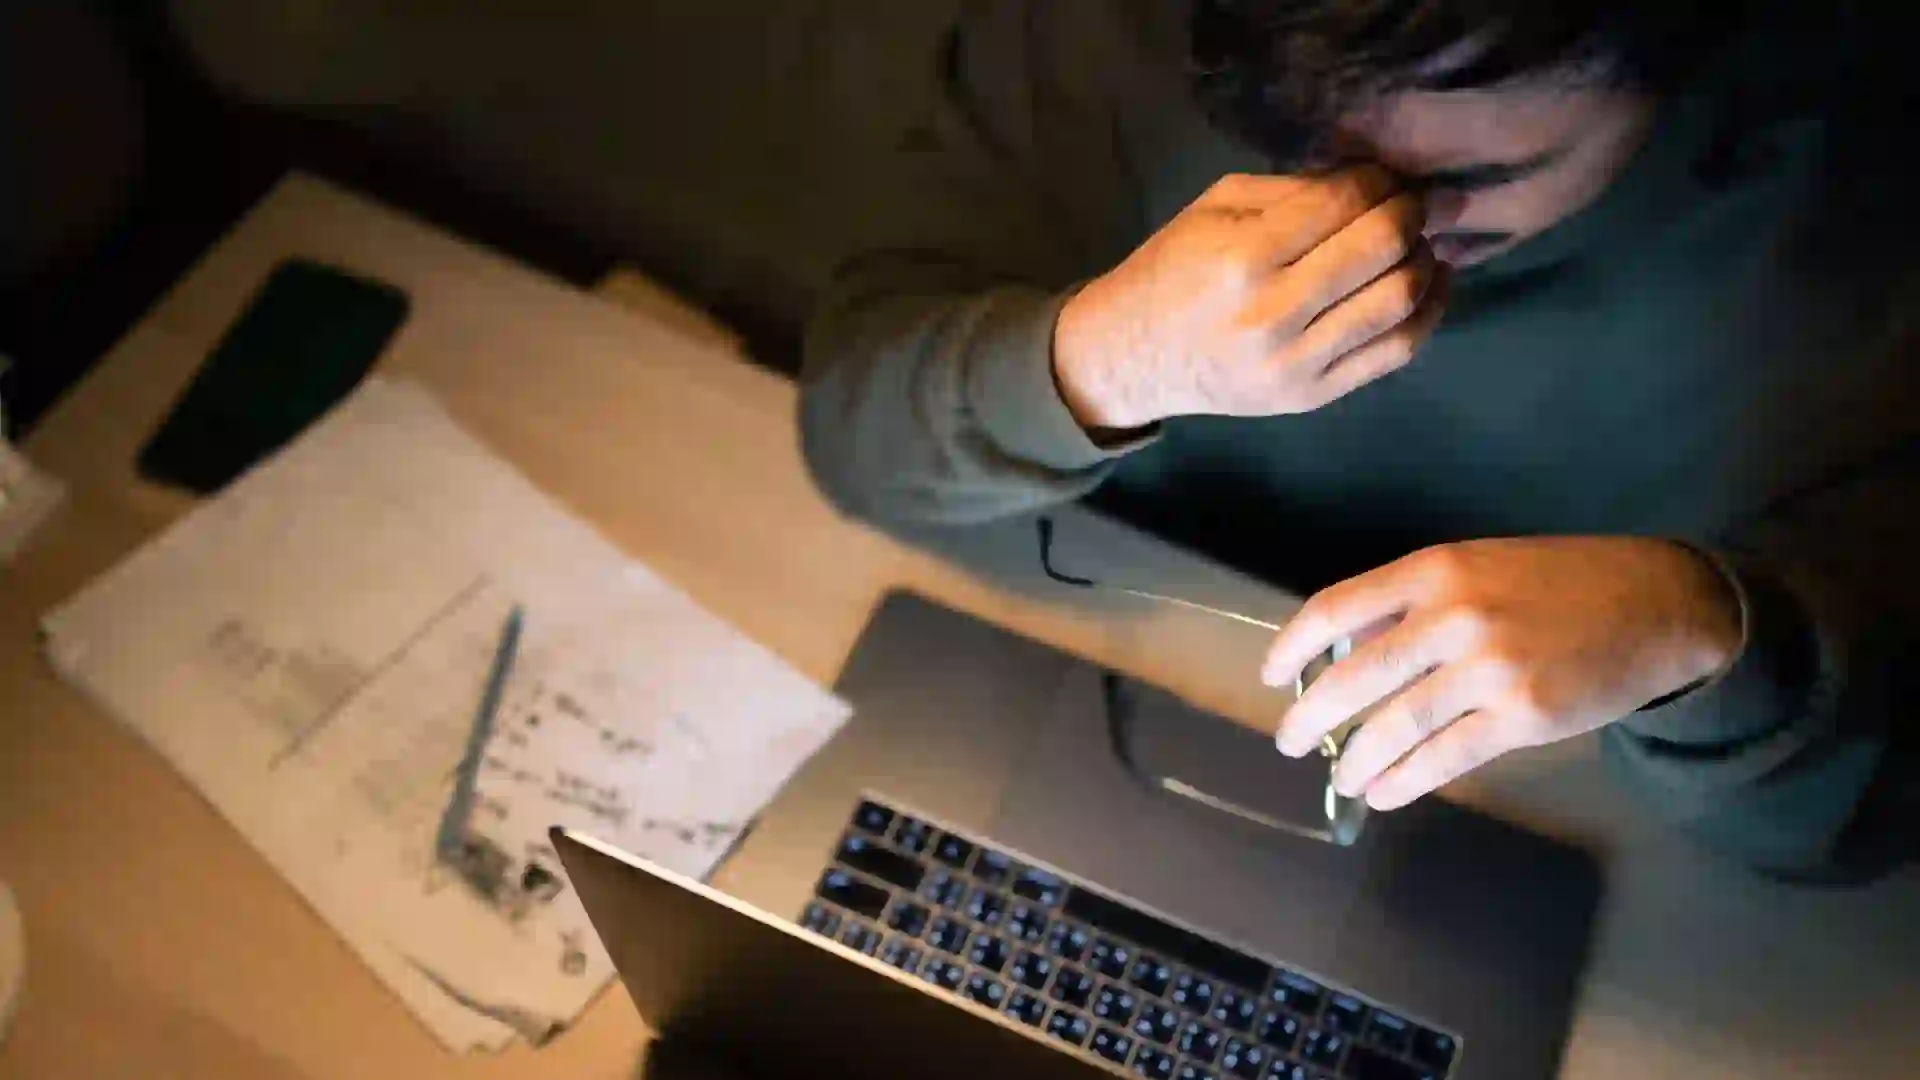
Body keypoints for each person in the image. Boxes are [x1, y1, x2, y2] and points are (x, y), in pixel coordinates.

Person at [799, 0, 1918, 882]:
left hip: (1589, 854)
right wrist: (1101, 361)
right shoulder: (1111, 38)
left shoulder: (1853, 208)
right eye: (1292, 131)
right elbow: (853, 436)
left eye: (1459, 182)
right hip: (1076, 706)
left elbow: (1873, 813)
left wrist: (1698, 630)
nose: (1367, 224)